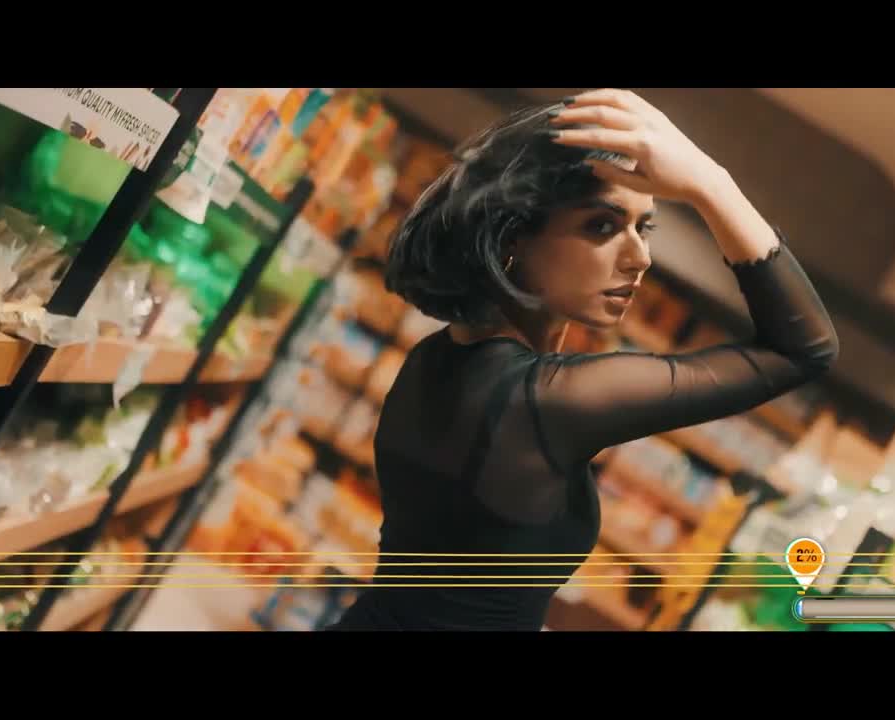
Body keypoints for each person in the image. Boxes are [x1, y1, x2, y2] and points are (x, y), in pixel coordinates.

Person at [327, 89, 839, 631]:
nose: (640, 257)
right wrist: (710, 183)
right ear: (513, 236)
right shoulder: (546, 403)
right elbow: (802, 348)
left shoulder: (436, 356)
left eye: (644, 227)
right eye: (602, 225)